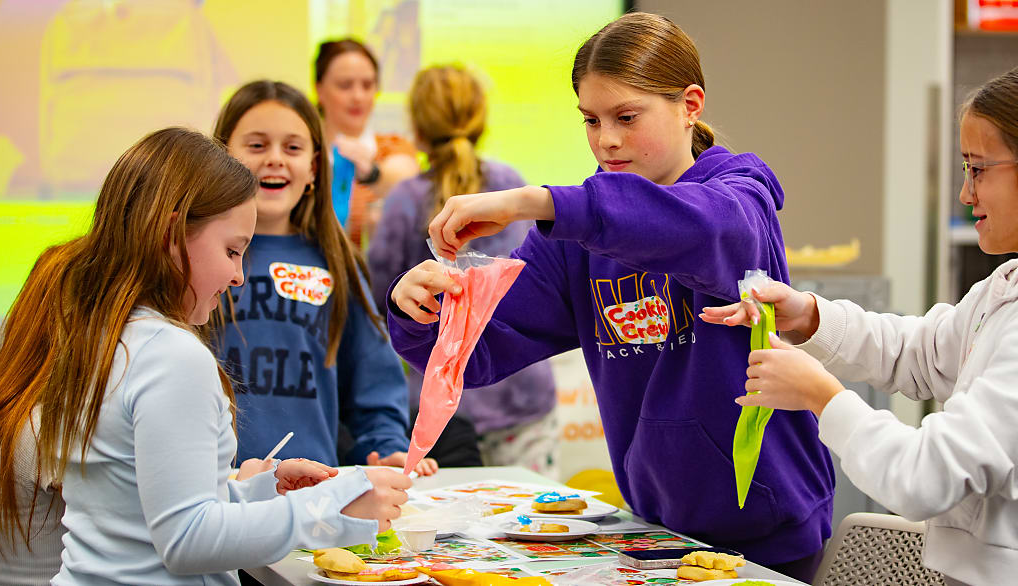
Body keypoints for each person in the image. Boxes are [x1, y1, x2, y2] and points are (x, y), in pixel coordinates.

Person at [386, 13, 834, 581]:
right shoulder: (578, 238)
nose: (607, 140)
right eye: (591, 120)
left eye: (626, 117)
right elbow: (473, 357)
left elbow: (700, 230)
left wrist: (538, 202)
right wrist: (420, 313)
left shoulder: (741, 196)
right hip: (657, 534)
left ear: (690, 104)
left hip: (769, 533)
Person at [701, 62, 1018, 586]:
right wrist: (810, 316)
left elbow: (926, 478)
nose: (966, 194)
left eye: (979, 170)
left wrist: (822, 398)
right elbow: (917, 355)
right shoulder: (1013, 285)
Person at [0, 127, 411, 586]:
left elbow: (138, 510)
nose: (237, 276)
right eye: (232, 251)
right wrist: (330, 508)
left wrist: (259, 492)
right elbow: (187, 538)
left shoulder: (101, 340)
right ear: (172, 233)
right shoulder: (172, 356)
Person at [211, 80, 437, 475]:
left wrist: (384, 447)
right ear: (221, 157)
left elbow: (374, 381)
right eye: (257, 145)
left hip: (310, 497)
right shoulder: (195, 258)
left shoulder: (336, 263)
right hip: (211, 496)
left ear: (315, 167)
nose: (275, 160)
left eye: (293, 147)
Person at [368, 65, 559, 475]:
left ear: (417, 131)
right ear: (479, 121)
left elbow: (383, 299)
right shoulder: (512, 185)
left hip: (442, 405)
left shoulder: (404, 199)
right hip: (521, 399)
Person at [315, 39, 420, 245]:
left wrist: (373, 174)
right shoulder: (301, 152)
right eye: (345, 85)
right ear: (319, 89)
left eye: (367, 85)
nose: (358, 96)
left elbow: (406, 181)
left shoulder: (393, 146)